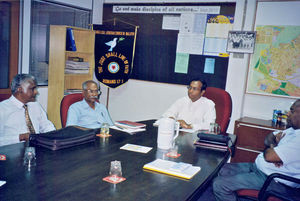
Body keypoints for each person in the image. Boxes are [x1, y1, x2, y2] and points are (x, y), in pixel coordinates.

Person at [213, 99, 300, 201]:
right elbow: (269, 138)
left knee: (219, 184)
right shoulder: (292, 130)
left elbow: (268, 156)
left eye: (292, 111)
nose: (288, 114)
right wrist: (273, 147)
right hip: (260, 168)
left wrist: (272, 151)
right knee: (220, 170)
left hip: (275, 180)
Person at [0, 74, 55, 146]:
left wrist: (54, 136)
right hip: (11, 151)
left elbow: (46, 126)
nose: (36, 92)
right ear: (20, 89)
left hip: (37, 148)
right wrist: (20, 138)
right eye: (32, 89)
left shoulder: (35, 105)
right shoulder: (2, 109)